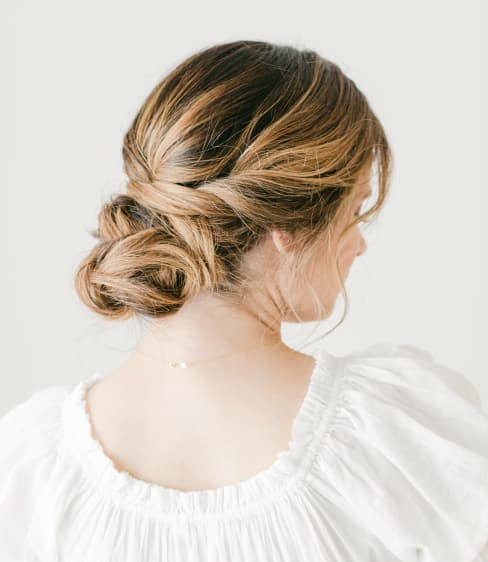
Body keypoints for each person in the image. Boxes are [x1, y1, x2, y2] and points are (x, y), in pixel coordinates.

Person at [1, 39, 487, 562]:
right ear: (290, 229)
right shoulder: (397, 436)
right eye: (355, 210)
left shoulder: (29, 466)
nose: (359, 243)